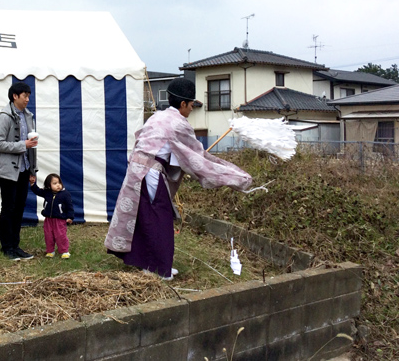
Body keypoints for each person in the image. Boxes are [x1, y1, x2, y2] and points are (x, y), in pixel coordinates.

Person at [104, 78, 253, 280]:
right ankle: (159, 268)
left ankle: (151, 264)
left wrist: (196, 157)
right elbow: (200, 159)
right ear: (183, 104)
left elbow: (182, 153)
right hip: (149, 173)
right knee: (159, 220)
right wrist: (237, 177)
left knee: (147, 219)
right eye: (191, 105)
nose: (192, 109)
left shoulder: (158, 117)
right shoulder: (178, 124)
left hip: (138, 170)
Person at [0, 82, 38, 261]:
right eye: (24, 95)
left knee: (19, 208)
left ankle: (15, 245)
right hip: (8, 170)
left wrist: (33, 169)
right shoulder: (4, 116)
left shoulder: (28, 116)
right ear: (14, 96)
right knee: (8, 207)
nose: (27, 99)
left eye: (28, 96)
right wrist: (22, 145)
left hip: (24, 168)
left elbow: (31, 146)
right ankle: (6, 247)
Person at [30, 173, 74, 259]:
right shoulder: (47, 193)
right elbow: (37, 191)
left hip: (60, 220)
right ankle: (50, 251)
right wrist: (32, 184)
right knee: (48, 235)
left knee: (60, 235)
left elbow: (70, 206)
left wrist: (70, 217)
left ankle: (64, 251)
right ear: (49, 186)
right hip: (48, 219)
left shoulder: (65, 194)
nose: (58, 185)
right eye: (54, 183)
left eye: (59, 183)